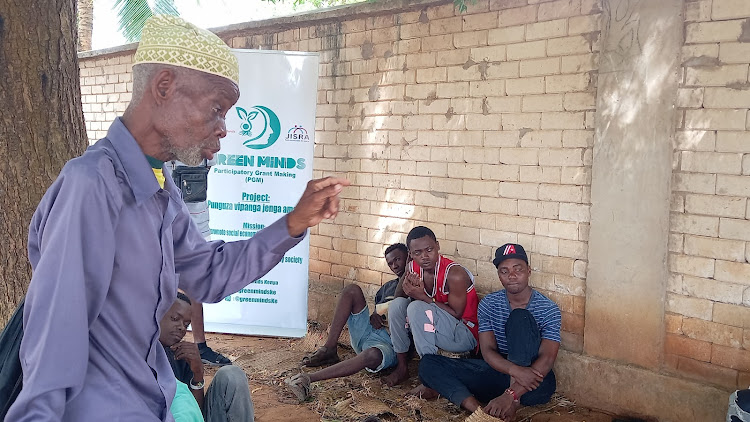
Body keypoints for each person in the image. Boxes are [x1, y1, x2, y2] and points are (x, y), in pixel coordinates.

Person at [6, 15, 348, 422]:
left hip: (152, 400)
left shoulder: (161, 187)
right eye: (217, 109)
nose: (223, 129)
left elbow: (208, 272)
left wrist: (293, 223)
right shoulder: (92, 186)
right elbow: (53, 342)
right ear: (164, 87)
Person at [418, 243, 560, 421]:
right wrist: (514, 371)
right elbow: (487, 350)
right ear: (499, 275)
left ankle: (510, 403)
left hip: (534, 382)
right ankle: (481, 412)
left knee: (520, 318)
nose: (512, 276)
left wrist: (511, 395)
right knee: (427, 365)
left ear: (529, 271)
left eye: (518, 269)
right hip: (500, 372)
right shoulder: (489, 304)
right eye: (504, 271)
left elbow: (547, 358)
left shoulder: (548, 308)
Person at [285, 243, 409, 401]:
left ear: (409, 257)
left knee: (371, 354)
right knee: (351, 290)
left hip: (389, 345)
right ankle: (329, 348)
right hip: (369, 333)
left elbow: (403, 308)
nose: (394, 265)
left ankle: (308, 379)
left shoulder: (418, 287)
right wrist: (374, 316)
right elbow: (379, 311)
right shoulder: (387, 287)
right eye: (390, 263)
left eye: (398, 259)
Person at [384, 226, 479, 389]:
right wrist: (407, 282)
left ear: (438, 246)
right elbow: (400, 298)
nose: (424, 257)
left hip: (464, 333)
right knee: (397, 305)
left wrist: (422, 297)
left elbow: (457, 314)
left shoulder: (455, 274)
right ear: (410, 254)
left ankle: (431, 377)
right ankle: (402, 367)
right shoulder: (412, 267)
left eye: (429, 250)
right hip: (437, 327)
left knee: (417, 308)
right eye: (417, 253)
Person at [165, 158, 231, 366]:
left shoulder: (204, 139)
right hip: (164, 224)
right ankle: (159, 344)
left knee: (195, 284)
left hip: (197, 223)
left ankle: (200, 345)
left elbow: (208, 166)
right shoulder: (162, 140)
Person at [161, 293, 253, 421]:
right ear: (157, 314)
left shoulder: (182, 355)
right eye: (175, 318)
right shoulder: (137, 352)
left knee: (232, 374)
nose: (181, 327)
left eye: (186, 324)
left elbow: (196, 411)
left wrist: (197, 374)